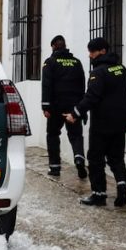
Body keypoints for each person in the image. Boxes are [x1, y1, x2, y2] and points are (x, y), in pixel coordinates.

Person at [65, 37, 126, 207]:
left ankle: (99, 194)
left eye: (92, 51)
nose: (90, 55)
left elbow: (92, 97)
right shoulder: (121, 69)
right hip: (120, 122)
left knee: (95, 158)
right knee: (117, 158)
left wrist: (75, 113)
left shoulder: (98, 72)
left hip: (102, 123)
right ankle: (122, 186)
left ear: (102, 51)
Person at [41, 35, 87, 178]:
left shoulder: (50, 62)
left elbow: (46, 85)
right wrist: (81, 108)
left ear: (53, 47)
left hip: (56, 107)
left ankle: (55, 168)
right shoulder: (76, 62)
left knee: (53, 135)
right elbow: (82, 84)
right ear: (65, 46)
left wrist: (45, 106)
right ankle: (79, 159)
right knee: (76, 135)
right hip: (74, 107)